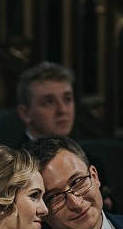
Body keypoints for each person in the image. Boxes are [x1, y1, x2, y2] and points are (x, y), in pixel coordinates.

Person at [15, 61, 115, 210]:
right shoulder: (14, 169)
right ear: (25, 113)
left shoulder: (91, 161)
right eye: (49, 102)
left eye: (67, 99)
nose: (62, 110)